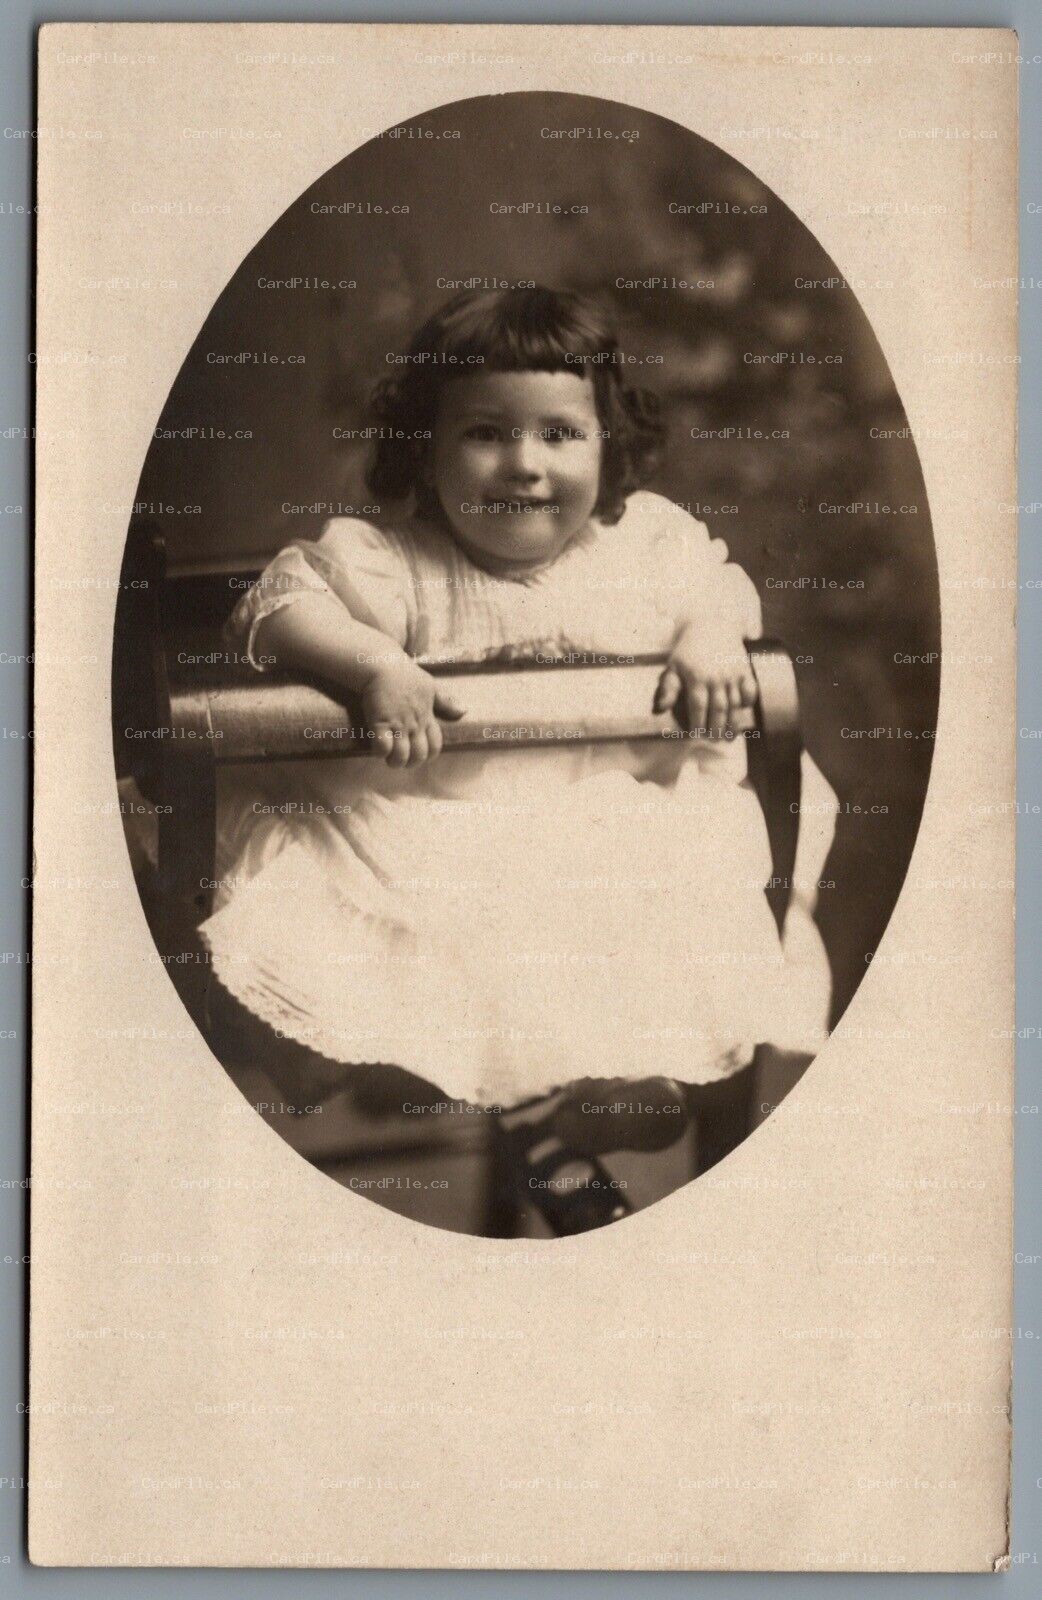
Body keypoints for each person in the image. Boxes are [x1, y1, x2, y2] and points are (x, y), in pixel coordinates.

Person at [199, 285, 836, 1165]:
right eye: (486, 433)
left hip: (599, 833)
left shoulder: (646, 547)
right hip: (441, 834)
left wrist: (710, 632)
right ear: (425, 455)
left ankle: (587, 1089)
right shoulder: (396, 563)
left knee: (655, 872)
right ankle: (491, 1091)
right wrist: (374, 663)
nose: (524, 464)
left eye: (559, 434)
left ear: (608, 450)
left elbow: (719, 586)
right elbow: (280, 605)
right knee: (417, 923)